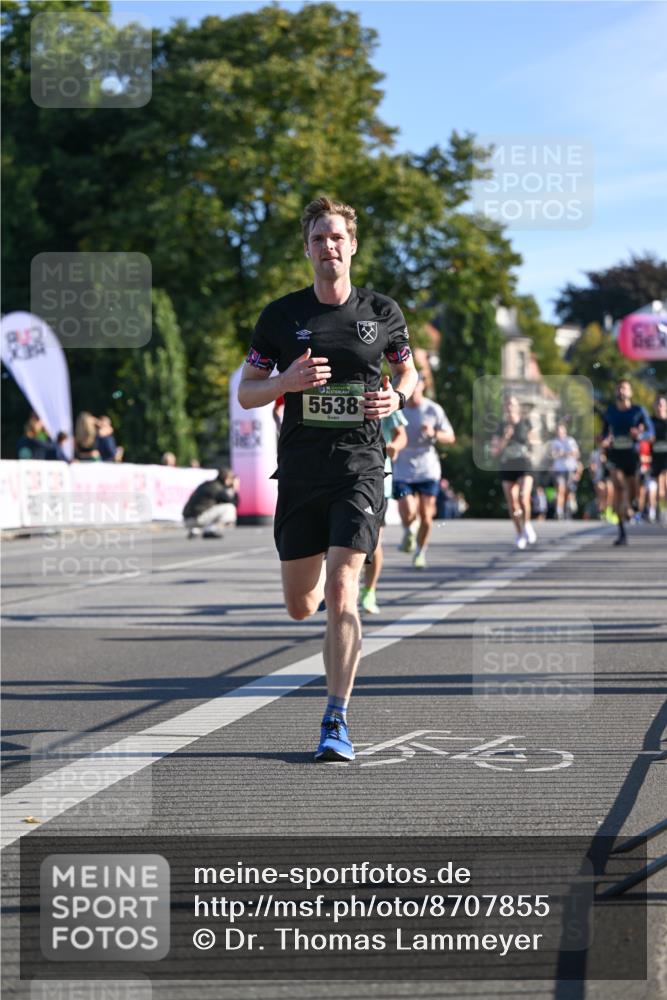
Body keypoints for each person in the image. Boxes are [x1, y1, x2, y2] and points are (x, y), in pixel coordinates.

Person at [237, 196, 418, 762]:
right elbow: (248, 391)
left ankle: (335, 720)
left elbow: (406, 370)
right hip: (301, 472)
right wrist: (285, 382)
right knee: (300, 603)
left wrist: (397, 396)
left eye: (337, 237)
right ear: (308, 249)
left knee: (344, 588)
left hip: (360, 466)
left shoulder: (382, 312)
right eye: (318, 238)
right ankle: (319, 606)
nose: (328, 246)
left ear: (353, 245)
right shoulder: (281, 316)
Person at [392, 375, 455, 568]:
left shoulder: (433, 409)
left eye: (416, 386)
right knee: (408, 510)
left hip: (427, 468)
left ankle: (420, 552)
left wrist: (434, 433)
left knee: (427, 516)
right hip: (402, 466)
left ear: (421, 387)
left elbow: (450, 437)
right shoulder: (397, 407)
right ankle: (409, 530)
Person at [359, 409, 408, 615]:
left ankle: (369, 590)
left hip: (378, 481)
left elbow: (401, 434)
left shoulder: (382, 395)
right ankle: (334, 585)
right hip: (341, 476)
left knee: (373, 541)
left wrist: (394, 446)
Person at [600, 379, 653, 546]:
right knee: (619, 488)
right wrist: (604, 441)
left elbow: (650, 433)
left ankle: (632, 507)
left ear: (630, 392)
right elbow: (603, 434)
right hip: (615, 456)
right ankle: (622, 532)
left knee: (631, 494)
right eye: (619, 389)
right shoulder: (610, 412)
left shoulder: (638, 411)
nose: (621, 391)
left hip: (632, 457)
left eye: (625, 389)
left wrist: (640, 435)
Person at [490, 394, 537, 549]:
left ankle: (528, 524)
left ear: (517, 407)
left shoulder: (525, 423)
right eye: (507, 404)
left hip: (524, 464)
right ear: (504, 408)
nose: (510, 407)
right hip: (507, 465)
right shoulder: (500, 426)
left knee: (524, 497)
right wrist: (505, 437)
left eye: (513, 404)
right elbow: (494, 452)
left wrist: (532, 445)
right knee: (513, 503)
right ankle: (520, 533)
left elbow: (535, 441)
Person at [182, 468, 240, 538]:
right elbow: (233, 503)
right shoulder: (217, 488)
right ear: (227, 479)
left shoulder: (207, 484)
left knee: (216, 507)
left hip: (187, 519)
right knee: (229, 508)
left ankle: (196, 529)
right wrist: (235, 489)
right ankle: (211, 529)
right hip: (198, 518)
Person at [547, 422, 580, 519]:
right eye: (558, 431)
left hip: (569, 469)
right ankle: (559, 511)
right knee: (560, 489)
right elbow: (552, 455)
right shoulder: (554, 442)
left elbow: (576, 453)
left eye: (561, 431)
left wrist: (564, 453)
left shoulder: (570, 441)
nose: (559, 433)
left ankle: (567, 509)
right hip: (559, 469)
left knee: (568, 491)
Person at [648, 394, 667, 524]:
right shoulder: (650, 422)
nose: (660, 407)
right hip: (653, 459)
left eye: (662, 404)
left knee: (664, 484)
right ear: (654, 406)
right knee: (654, 487)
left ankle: (663, 511)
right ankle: (653, 510)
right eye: (658, 404)